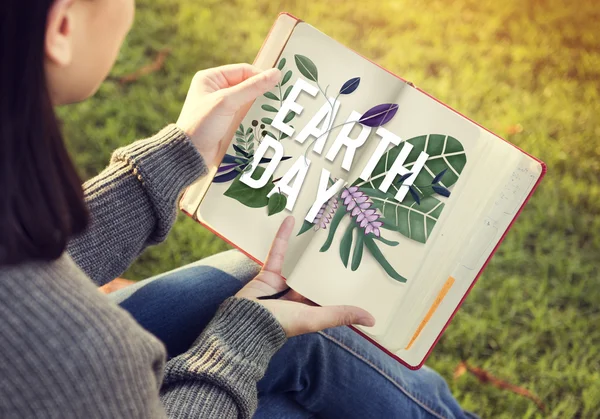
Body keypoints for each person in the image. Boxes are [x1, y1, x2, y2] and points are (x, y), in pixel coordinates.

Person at [0, 0, 476, 418]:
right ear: (62, 27)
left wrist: (176, 156)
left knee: (253, 285)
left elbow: (24, 257)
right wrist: (240, 340)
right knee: (294, 349)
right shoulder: (79, 350)